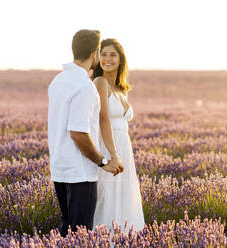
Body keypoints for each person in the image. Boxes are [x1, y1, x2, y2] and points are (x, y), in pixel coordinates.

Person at [47, 30, 124, 237]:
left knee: (67, 230)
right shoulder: (84, 87)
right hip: (80, 172)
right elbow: (78, 133)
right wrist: (102, 161)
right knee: (81, 234)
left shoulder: (58, 81)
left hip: (60, 167)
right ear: (95, 54)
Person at [92, 38, 145, 231]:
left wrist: (120, 153)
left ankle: (124, 238)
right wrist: (113, 155)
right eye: (103, 54)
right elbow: (102, 119)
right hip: (108, 145)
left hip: (124, 146)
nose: (107, 59)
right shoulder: (99, 82)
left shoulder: (121, 90)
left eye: (112, 55)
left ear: (121, 59)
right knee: (106, 198)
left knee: (123, 197)